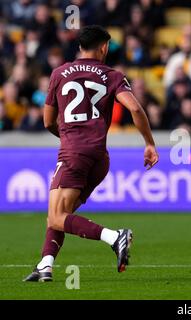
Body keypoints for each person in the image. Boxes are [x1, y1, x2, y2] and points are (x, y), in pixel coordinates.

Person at [24, 25, 159, 282]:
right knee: (59, 215)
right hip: (99, 156)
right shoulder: (113, 76)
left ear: (79, 47)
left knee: (57, 215)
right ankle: (45, 264)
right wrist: (149, 143)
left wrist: (69, 138)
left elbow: (47, 121)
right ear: (104, 47)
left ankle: (114, 236)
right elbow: (136, 109)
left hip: (73, 152)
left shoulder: (59, 73)